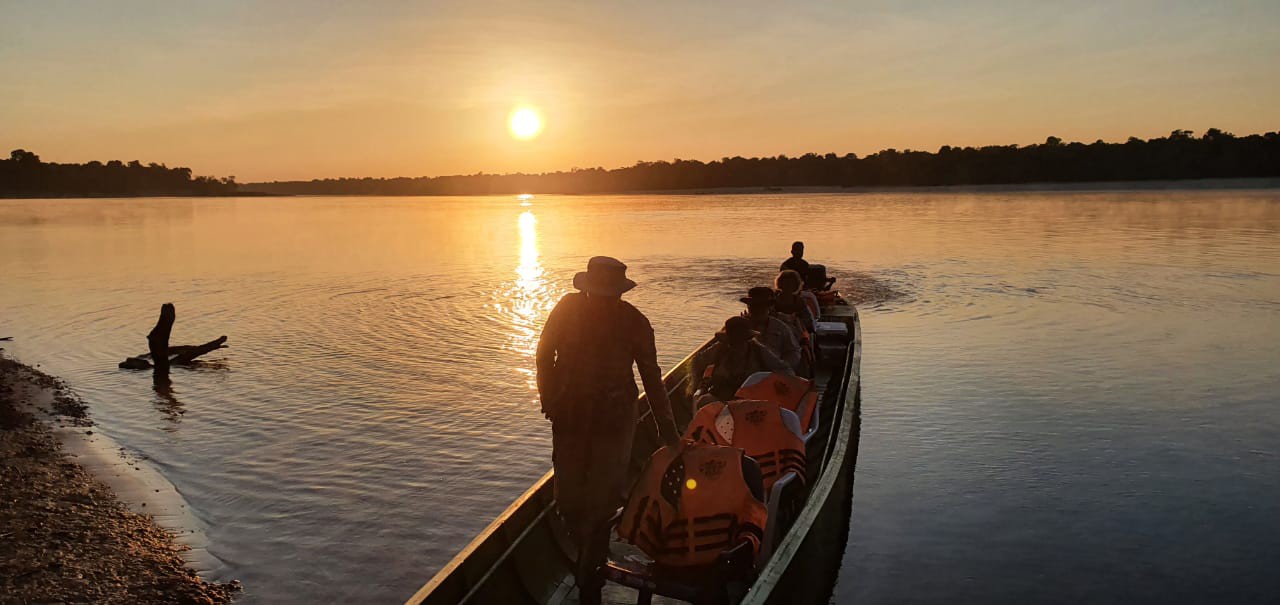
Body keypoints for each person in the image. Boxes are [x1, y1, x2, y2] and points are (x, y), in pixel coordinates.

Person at [536, 256, 682, 605]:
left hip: (615, 420)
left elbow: (652, 378)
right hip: (570, 414)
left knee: (601, 504)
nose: (602, 300)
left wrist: (669, 431)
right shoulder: (567, 309)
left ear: (618, 293)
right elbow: (544, 354)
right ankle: (586, 554)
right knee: (569, 501)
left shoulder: (634, 322)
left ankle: (590, 580)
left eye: (608, 294)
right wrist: (549, 398)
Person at [689, 316, 792, 402]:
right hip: (721, 398)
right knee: (702, 401)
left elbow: (785, 370)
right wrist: (697, 384)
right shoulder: (720, 348)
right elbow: (697, 361)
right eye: (732, 341)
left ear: (747, 339)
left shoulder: (759, 351)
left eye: (740, 340)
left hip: (752, 400)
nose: (736, 345)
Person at [739, 287, 802, 372]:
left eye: (761, 305)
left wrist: (783, 365)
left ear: (769, 306)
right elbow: (720, 343)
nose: (757, 309)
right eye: (753, 305)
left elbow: (793, 351)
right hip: (744, 373)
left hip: (774, 373)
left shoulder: (781, 327)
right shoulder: (738, 325)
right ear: (748, 306)